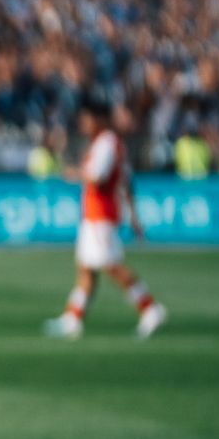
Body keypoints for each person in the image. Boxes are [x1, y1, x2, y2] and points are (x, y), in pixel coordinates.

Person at [44, 105, 167, 340]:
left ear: (98, 119)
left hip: (101, 213)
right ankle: (73, 318)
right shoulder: (110, 144)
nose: (84, 124)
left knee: (110, 265)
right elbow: (126, 181)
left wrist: (76, 173)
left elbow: (98, 177)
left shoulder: (106, 143)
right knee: (86, 267)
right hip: (96, 214)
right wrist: (133, 215)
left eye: (87, 119)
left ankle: (149, 307)